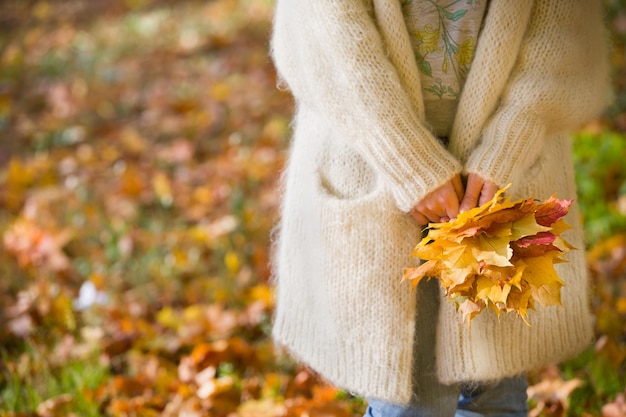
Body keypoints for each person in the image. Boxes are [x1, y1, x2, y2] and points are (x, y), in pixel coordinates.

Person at [269, 0, 610, 416]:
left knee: (496, 395)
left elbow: (564, 32)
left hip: (507, 176)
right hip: (377, 164)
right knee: (411, 396)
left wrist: (508, 146)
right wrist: (408, 160)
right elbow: (324, 33)